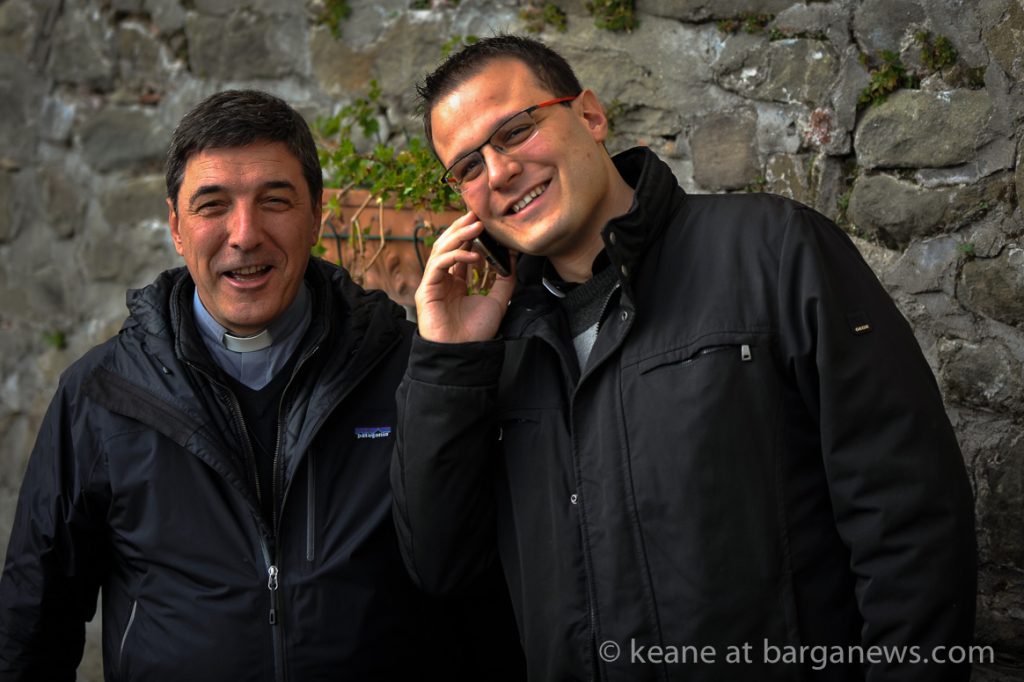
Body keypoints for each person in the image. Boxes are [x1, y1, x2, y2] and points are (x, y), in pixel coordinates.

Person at [391, 35, 977, 681]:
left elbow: (909, 526)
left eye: (515, 131)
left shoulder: (773, 251)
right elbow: (442, 569)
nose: (498, 172)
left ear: (589, 115)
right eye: (468, 167)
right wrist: (447, 363)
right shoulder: (491, 351)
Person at [0, 89, 522, 681]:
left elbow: (482, 601)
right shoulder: (103, 395)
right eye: (212, 206)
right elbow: (31, 624)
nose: (245, 234)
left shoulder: (410, 374)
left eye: (274, 201)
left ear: (316, 215)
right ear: (175, 226)